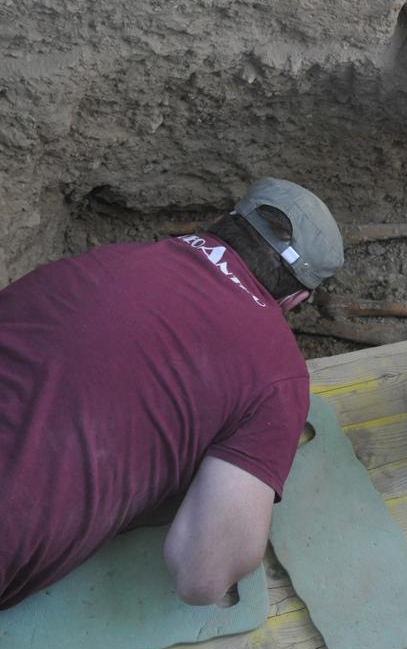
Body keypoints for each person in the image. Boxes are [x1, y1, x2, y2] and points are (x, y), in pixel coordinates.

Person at [0, 177, 343, 608]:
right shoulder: (278, 373)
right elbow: (201, 574)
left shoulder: (109, 260)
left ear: (225, 223)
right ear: (296, 300)